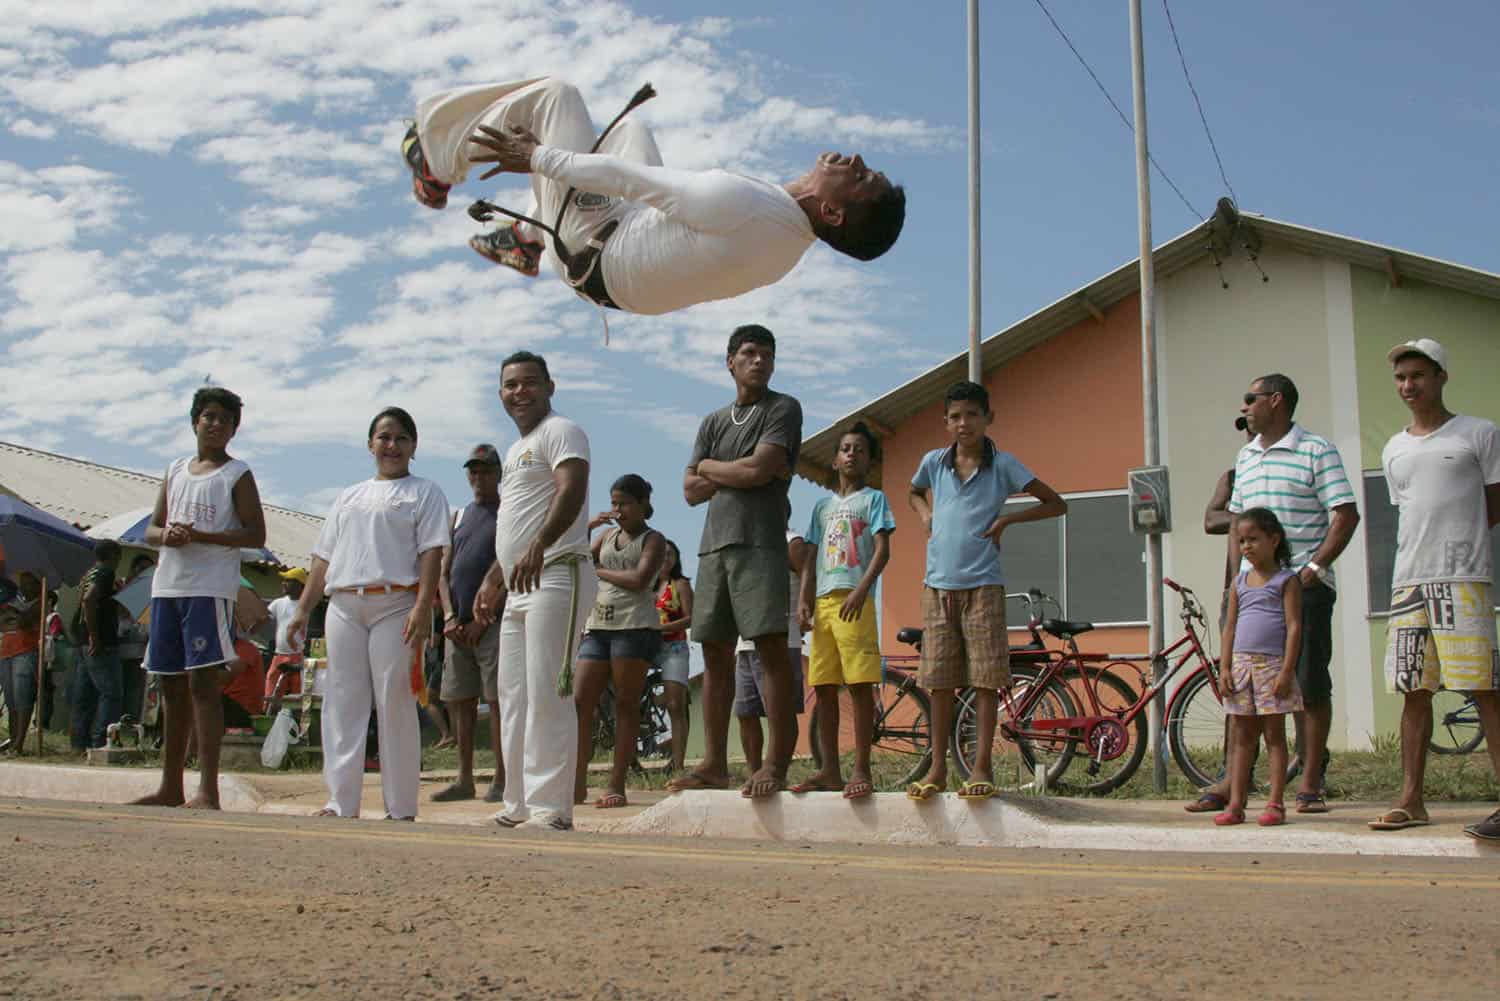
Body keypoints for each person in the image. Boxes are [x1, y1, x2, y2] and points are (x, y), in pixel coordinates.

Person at [404, 78, 905, 315]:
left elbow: (629, 181)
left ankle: (435, 160)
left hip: (590, 247)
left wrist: (535, 157)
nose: (858, 161)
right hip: (611, 262)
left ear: (833, 212)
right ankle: (526, 237)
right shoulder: (785, 242)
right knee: (632, 130)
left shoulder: (743, 204)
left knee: (557, 97)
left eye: (864, 179)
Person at [1185, 374, 1359, 815]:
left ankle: (1311, 783)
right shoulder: (1246, 456)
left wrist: (1314, 569)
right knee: (1240, 686)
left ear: (1276, 401)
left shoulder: (1316, 450)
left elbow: (1345, 513)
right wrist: (1233, 588)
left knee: (1306, 681)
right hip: (1250, 594)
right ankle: (1233, 784)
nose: (1243, 407)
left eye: (1251, 398)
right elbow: (1239, 527)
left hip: (1300, 589)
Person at [286, 407, 449, 821]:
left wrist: (421, 605)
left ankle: (401, 807)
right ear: (370, 444)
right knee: (342, 701)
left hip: (396, 604)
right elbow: (323, 558)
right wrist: (304, 609)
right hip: (343, 604)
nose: (391, 446)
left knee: (395, 701)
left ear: (414, 446)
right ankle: (340, 802)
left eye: (401, 439)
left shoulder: (425, 492)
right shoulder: (349, 496)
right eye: (384, 437)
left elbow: (431, 553)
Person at [906, 381, 1067, 800]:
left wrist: (1008, 521)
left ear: (987, 418)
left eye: (972, 415)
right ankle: (938, 769)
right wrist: (926, 515)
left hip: (983, 586)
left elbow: (1056, 503)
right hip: (937, 585)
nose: (964, 423)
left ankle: (981, 768)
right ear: (945, 422)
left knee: (984, 680)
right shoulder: (933, 464)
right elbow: (912, 492)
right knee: (939, 682)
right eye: (956, 416)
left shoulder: (1005, 465)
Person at [1368, 339, 1500, 841]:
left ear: (1441, 376)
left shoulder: (1479, 434)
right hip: (1409, 583)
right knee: (1413, 690)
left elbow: (1493, 503)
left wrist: (1461, 547)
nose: (1408, 386)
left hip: (1463, 580)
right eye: (1401, 378)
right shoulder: (1394, 448)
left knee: (1484, 689)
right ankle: (1410, 800)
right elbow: (1408, 510)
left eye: (1418, 375)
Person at [670, 324, 803, 799]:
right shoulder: (713, 421)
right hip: (714, 547)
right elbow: (688, 491)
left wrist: (711, 468)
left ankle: (775, 762)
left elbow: (759, 468)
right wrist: (730, 472)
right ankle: (713, 764)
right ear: (730, 361)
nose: (759, 361)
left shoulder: (783, 408)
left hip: (762, 543)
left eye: (767, 354)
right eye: (749, 353)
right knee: (716, 652)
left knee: (770, 651)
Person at [473, 352, 594, 832]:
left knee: (548, 692)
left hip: (559, 572)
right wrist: (494, 577)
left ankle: (552, 809)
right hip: (520, 583)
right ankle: (517, 804)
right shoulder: (515, 448)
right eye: (509, 385)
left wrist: (540, 546)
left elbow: (572, 491)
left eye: (528, 383)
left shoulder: (563, 431)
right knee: (514, 696)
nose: (519, 392)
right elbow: (516, 520)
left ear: (549, 386)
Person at [132, 388, 268, 810]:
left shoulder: (236, 474)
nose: (215, 425)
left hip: (209, 589)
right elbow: (152, 529)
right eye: (208, 416)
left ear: (233, 430)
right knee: (170, 685)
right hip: (169, 586)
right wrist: (168, 535)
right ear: (195, 421)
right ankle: (169, 785)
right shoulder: (175, 470)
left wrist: (203, 535)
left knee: (203, 684)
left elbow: (255, 535)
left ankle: (207, 789)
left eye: (225, 420)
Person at [793, 423, 896, 799]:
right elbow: (809, 557)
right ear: (835, 460)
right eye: (846, 449)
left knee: (859, 685)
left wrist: (861, 590)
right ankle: (830, 770)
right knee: (823, 686)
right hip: (823, 604)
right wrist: (804, 600)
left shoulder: (874, 500)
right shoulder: (822, 508)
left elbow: (882, 550)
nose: (852, 454)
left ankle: (862, 769)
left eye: (860, 450)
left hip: (855, 602)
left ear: (869, 461)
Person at [574, 474, 666, 809]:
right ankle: (577, 780)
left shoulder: (654, 540)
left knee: (627, 705)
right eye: (614, 503)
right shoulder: (606, 535)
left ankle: (616, 784)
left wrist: (599, 571)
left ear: (643, 504)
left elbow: (641, 580)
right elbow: (579, 556)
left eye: (624, 503)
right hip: (597, 626)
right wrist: (588, 527)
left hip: (634, 627)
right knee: (581, 701)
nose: (618, 510)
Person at [1212, 508, 1303, 827]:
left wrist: (1287, 671)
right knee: (1241, 737)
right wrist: (1225, 667)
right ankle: (1236, 804)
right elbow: (1230, 626)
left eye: (1253, 539)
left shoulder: (1286, 580)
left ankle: (1276, 803)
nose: (1246, 546)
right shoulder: (1239, 582)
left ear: (1274, 539)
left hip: (1273, 667)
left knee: (1274, 736)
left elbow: (1293, 627)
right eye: (1241, 541)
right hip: (1240, 667)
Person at [433, 444, 506, 803]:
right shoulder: (458, 516)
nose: (479, 477)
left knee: (496, 700)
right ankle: (463, 778)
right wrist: (448, 616)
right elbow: (442, 571)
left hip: (491, 624)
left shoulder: (508, 513)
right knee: (459, 700)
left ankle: (501, 777)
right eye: (473, 471)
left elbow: (509, 569)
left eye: (486, 470)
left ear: (499, 473)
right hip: (455, 625)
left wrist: (484, 617)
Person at [733, 529, 807, 780]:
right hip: (745, 643)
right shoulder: (749, 544)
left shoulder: (792, 543)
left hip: (782, 639)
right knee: (746, 711)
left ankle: (778, 772)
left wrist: (807, 612)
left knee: (781, 711)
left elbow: (809, 577)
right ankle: (754, 771)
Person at [73, 540, 124, 752]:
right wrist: (95, 635)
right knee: (111, 693)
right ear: (113, 556)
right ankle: (102, 742)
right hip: (99, 641)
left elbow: (92, 599)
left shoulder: (90, 573)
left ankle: (79, 743)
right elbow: (89, 599)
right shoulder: (105, 573)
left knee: (84, 694)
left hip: (82, 640)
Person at [651, 540, 693, 773]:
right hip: (646, 647)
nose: (665, 558)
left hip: (673, 647)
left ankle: (678, 765)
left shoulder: (680, 584)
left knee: (675, 704)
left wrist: (662, 629)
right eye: (661, 553)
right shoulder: (645, 585)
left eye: (670, 554)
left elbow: (690, 618)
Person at [0, 571, 43, 753]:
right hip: (6, 651)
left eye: (29, 583)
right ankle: (13, 738)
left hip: (26, 651)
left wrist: (15, 617)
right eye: (22, 583)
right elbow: (2, 623)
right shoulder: (13, 600)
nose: (25, 587)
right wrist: (14, 619)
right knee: (10, 699)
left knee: (22, 697)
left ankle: (20, 741)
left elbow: (24, 623)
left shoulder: (41, 602)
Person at [264, 568, 308, 705]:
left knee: (296, 692)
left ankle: (295, 719)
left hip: (296, 655)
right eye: (284, 580)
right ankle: (268, 715)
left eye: (288, 580)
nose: (283, 583)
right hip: (279, 655)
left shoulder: (305, 605)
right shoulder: (278, 603)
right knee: (271, 690)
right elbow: (264, 617)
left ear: (300, 585)